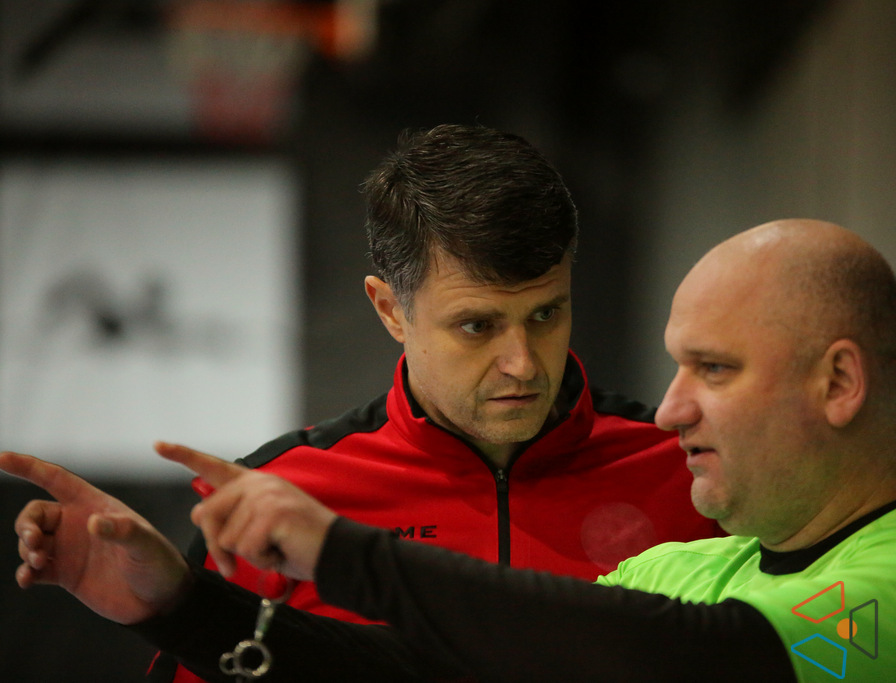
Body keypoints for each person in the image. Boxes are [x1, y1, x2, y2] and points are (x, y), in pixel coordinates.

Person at [8, 218, 896, 682]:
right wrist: (182, 606)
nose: (670, 407)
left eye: (713, 369)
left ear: (838, 383)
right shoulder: (688, 568)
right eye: (677, 366)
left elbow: (687, 658)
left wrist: (343, 552)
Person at [4, 124, 720, 682]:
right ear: (389, 310)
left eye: (545, 314)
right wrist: (174, 607)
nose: (523, 362)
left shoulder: (691, 467)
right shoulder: (279, 497)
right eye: (477, 325)